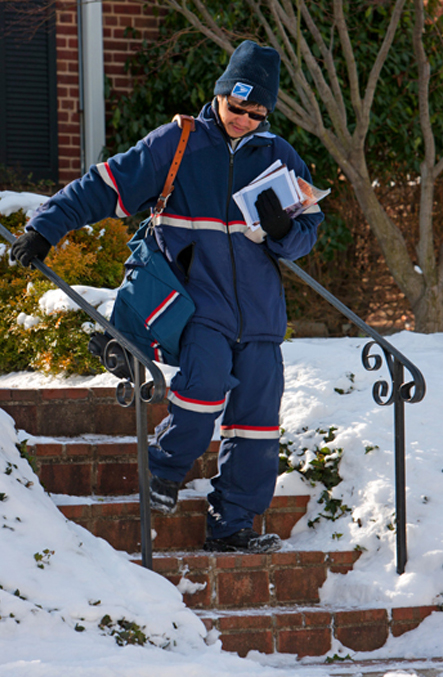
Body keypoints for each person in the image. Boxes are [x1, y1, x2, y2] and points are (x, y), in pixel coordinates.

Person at [11, 40, 324, 553]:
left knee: (259, 425)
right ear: (220, 95)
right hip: (202, 305)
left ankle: (234, 524)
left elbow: (309, 231)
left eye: (256, 112)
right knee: (201, 397)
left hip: (263, 315)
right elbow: (103, 184)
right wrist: (45, 228)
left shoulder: (280, 157)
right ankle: (163, 472)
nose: (244, 119)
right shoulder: (177, 143)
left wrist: (280, 231)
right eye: (236, 107)